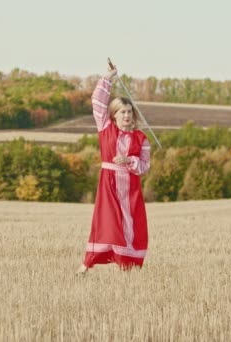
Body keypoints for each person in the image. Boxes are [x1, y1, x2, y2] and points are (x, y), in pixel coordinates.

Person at [76, 65, 151, 274]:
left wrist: (129, 160)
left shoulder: (141, 138)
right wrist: (108, 78)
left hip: (131, 188)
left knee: (131, 225)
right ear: (114, 115)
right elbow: (97, 101)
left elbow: (144, 166)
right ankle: (86, 264)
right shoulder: (105, 128)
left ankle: (126, 267)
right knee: (108, 224)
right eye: (122, 112)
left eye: (129, 112)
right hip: (109, 183)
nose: (126, 115)